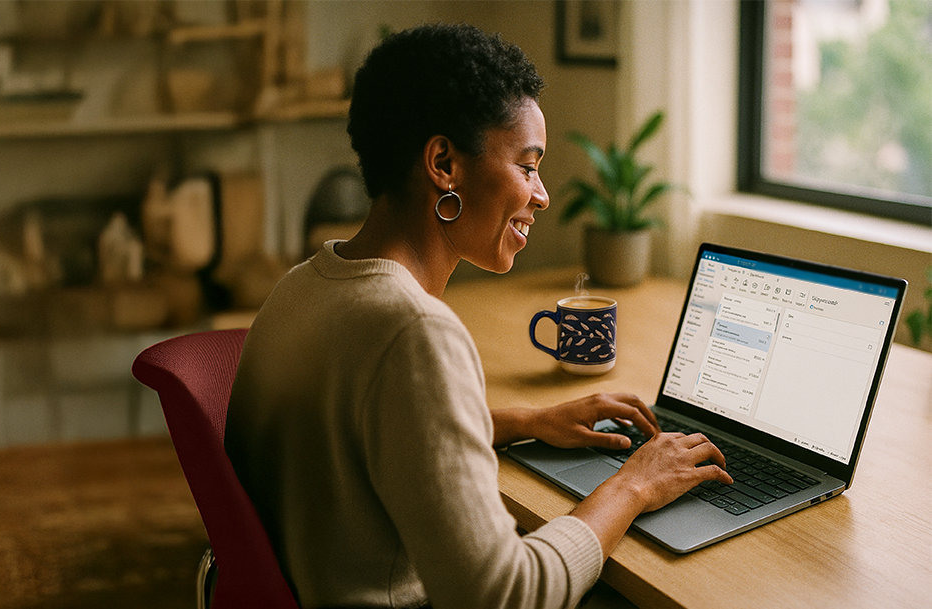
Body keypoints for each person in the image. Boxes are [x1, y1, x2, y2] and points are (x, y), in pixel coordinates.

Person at [225, 23, 732, 609]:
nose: (541, 195)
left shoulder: (305, 283)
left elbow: (364, 431)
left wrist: (522, 421)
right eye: (528, 165)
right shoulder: (413, 331)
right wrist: (634, 484)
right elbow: (503, 596)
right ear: (444, 163)